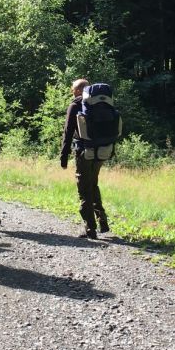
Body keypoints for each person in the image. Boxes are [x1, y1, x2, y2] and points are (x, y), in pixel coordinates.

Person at [59, 78, 110, 240]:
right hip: (101, 151)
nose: (71, 91)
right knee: (93, 184)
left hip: (83, 152)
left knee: (84, 189)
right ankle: (102, 221)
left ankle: (90, 228)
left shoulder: (75, 105)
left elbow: (68, 132)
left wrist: (63, 156)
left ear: (79, 90)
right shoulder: (103, 103)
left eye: (73, 89)